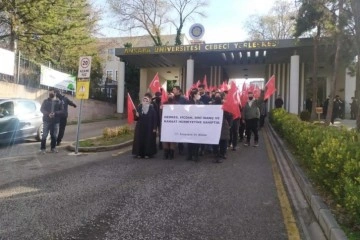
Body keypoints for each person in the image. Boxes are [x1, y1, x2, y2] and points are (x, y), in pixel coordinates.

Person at [132, 94, 157, 158]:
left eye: (146, 100)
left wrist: (154, 128)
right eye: (144, 100)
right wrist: (136, 115)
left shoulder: (152, 108)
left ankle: (147, 154)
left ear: (149, 101)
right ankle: (139, 153)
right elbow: (136, 119)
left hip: (149, 127)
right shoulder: (139, 107)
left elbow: (154, 119)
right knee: (140, 140)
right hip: (140, 127)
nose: (145, 102)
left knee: (147, 140)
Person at [40, 88, 64, 154]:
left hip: (55, 121)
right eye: (49, 93)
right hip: (46, 121)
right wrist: (48, 114)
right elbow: (42, 109)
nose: (50, 94)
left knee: (54, 135)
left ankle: (53, 148)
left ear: (55, 93)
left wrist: (55, 113)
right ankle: (43, 149)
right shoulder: (45, 101)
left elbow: (62, 111)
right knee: (44, 135)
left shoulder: (59, 102)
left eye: (52, 93)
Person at [212, 92, 232, 163]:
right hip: (223, 125)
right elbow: (229, 116)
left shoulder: (212, 106)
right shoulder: (224, 106)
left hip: (217, 126)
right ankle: (222, 154)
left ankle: (217, 155)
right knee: (223, 141)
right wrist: (229, 124)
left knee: (217, 141)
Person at [186, 88, 202, 162]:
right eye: (198, 94)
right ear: (194, 95)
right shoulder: (189, 102)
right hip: (190, 124)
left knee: (197, 140)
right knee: (190, 140)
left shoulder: (200, 103)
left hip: (198, 124)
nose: (199, 95)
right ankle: (189, 155)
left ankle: (196, 155)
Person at [161, 92, 176, 159]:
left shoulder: (176, 104)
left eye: (171, 94)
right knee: (165, 138)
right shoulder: (164, 104)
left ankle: (172, 153)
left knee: (172, 139)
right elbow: (160, 113)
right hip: (165, 124)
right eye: (169, 94)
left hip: (173, 124)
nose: (170, 95)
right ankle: (166, 153)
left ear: (173, 96)